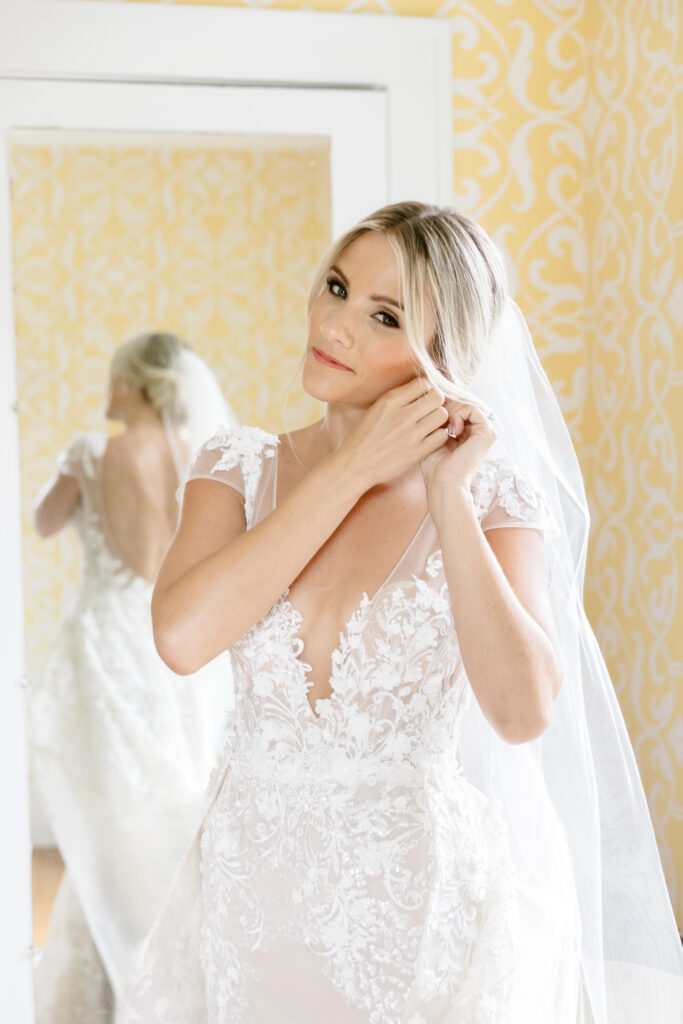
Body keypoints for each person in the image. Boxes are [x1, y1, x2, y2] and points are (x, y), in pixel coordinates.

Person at [125, 206, 683, 1023]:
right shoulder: (235, 466)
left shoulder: (493, 499)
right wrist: (350, 469)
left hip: (413, 899)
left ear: (445, 354)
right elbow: (181, 638)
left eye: (382, 316)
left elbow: (521, 710)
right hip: (248, 886)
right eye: (337, 288)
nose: (334, 324)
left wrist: (447, 496)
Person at [28, 332, 238, 1023]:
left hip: (103, 646)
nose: (108, 388)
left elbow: (42, 522)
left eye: (117, 378)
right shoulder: (190, 455)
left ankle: (125, 971)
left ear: (138, 384)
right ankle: (157, 960)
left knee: (103, 811)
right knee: (157, 798)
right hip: (166, 643)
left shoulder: (94, 451)